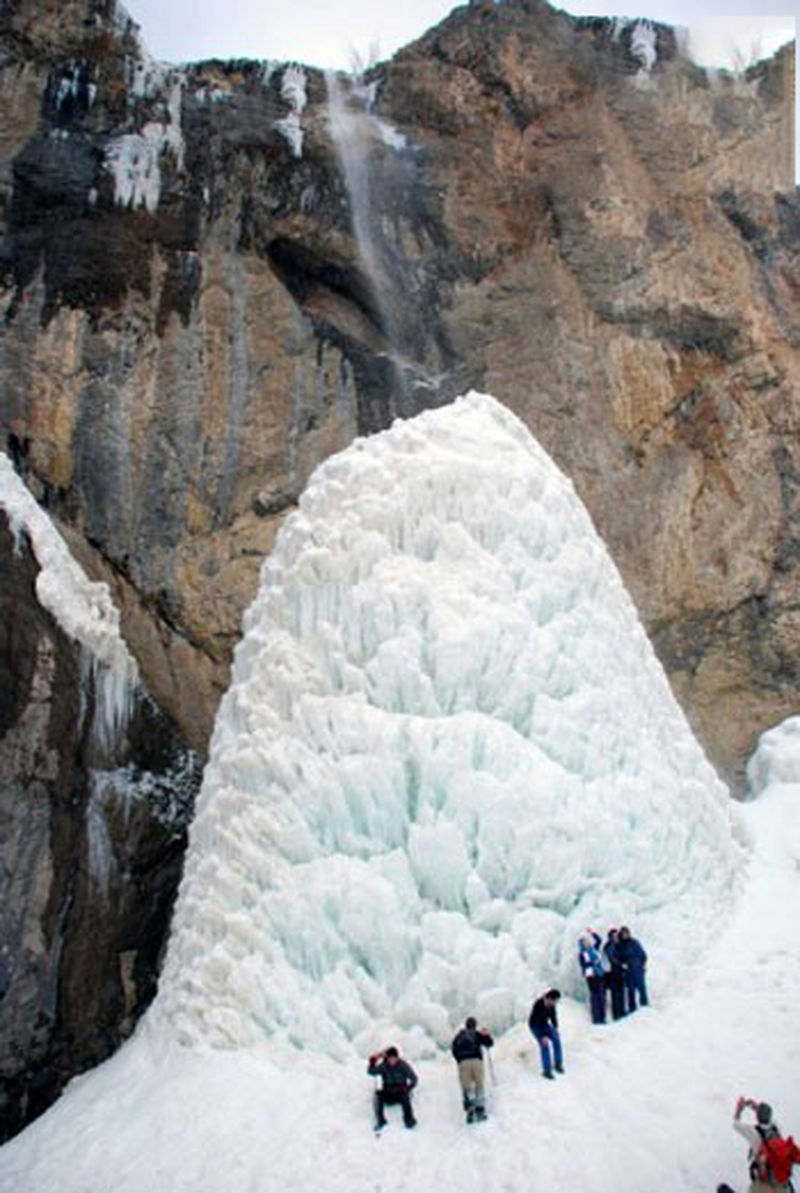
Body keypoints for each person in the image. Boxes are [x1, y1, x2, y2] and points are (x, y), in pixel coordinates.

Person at [727, 1097, 800, 1192]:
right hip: (783, 1184)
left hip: (764, 1185)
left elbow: (735, 1124)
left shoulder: (752, 1132)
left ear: (757, 1117)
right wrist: (754, 1105)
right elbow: (764, 1115)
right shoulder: (776, 1128)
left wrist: (740, 1107)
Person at [450, 1016, 494, 1122]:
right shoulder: (476, 1034)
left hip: (463, 1063)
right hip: (476, 1061)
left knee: (466, 1086)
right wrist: (487, 1035)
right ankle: (480, 1109)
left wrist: (459, 1060)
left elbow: (453, 1049)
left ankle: (469, 1109)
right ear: (475, 1025)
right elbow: (489, 1043)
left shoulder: (459, 1035)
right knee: (479, 1085)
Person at [367, 1046, 418, 1130]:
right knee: (377, 1095)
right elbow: (371, 1072)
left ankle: (409, 1120)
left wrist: (408, 1088)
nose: (392, 1060)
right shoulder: (384, 1066)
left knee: (405, 1097)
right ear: (387, 1058)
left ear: (397, 1057)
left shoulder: (403, 1065)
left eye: (394, 1058)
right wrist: (373, 1061)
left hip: (400, 1092)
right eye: (390, 1058)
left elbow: (414, 1079)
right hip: (388, 1092)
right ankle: (380, 1120)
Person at [528, 988, 563, 1080]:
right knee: (545, 1045)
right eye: (554, 1001)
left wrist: (555, 1029)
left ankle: (558, 1064)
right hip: (535, 1026)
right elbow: (535, 1021)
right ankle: (547, 1071)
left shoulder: (552, 1005)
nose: (555, 1003)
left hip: (544, 1023)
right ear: (549, 999)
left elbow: (553, 1017)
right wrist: (543, 1036)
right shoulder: (538, 1004)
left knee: (556, 1039)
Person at [616, 925, 648, 1012]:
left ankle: (645, 1007)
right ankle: (632, 1009)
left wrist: (643, 964)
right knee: (631, 990)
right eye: (623, 934)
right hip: (628, 971)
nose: (625, 935)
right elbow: (617, 958)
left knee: (642, 988)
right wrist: (622, 965)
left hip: (638, 968)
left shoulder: (635, 942)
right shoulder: (620, 945)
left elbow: (643, 954)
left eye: (627, 933)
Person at [578, 930, 606, 1024]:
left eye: (588, 941)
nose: (588, 942)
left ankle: (602, 1018)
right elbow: (585, 965)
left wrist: (592, 932)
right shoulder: (583, 953)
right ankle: (596, 1018)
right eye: (585, 942)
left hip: (599, 975)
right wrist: (593, 964)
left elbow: (599, 940)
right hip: (591, 976)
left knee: (601, 996)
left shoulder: (593, 949)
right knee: (595, 996)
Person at [603, 928, 626, 1020]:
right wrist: (621, 965)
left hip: (618, 973)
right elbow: (612, 958)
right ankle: (617, 1014)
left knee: (620, 993)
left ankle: (620, 1012)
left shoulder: (617, 945)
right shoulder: (610, 946)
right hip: (613, 974)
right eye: (614, 936)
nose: (616, 937)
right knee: (616, 994)